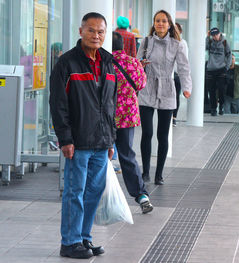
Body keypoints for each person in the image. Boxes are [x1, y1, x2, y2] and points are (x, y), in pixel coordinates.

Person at [49, 12, 117, 259]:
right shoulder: (67, 63)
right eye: (91, 30)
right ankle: (70, 242)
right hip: (77, 142)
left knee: (93, 192)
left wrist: (111, 139)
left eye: (100, 31)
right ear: (81, 31)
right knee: (74, 192)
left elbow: (111, 103)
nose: (96, 35)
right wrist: (65, 139)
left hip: (101, 141)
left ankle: (84, 238)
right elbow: (58, 105)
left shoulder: (109, 62)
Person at [136, 9, 192, 185]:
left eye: (163, 21)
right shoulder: (145, 42)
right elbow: (136, 65)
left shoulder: (178, 44)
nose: (160, 24)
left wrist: (186, 87)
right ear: (154, 23)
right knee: (147, 132)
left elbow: (184, 68)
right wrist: (141, 65)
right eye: (157, 21)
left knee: (163, 135)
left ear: (169, 24)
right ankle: (145, 171)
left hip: (167, 88)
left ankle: (158, 174)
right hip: (147, 88)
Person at [111, 32, 153, 213]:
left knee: (98, 155)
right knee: (127, 154)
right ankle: (141, 195)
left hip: (105, 115)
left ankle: (97, 194)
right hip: (127, 116)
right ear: (123, 45)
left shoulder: (102, 62)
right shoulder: (133, 62)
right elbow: (141, 84)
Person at [206, 27, 231, 116]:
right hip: (211, 69)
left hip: (221, 69)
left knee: (221, 90)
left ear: (219, 33)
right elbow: (204, 47)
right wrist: (207, 37)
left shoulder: (224, 42)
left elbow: (229, 55)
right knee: (211, 91)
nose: (215, 37)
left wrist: (226, 67)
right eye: (213, 35)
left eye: (216, 35)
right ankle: (213, 109)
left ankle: (221, 106)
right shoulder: (210, 41)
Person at [172, 22, 189, 126]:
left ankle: (174, 117)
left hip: (176, 74)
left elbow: (184, 62)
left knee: (175, 96)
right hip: (168, 73)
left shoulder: (182, 43)